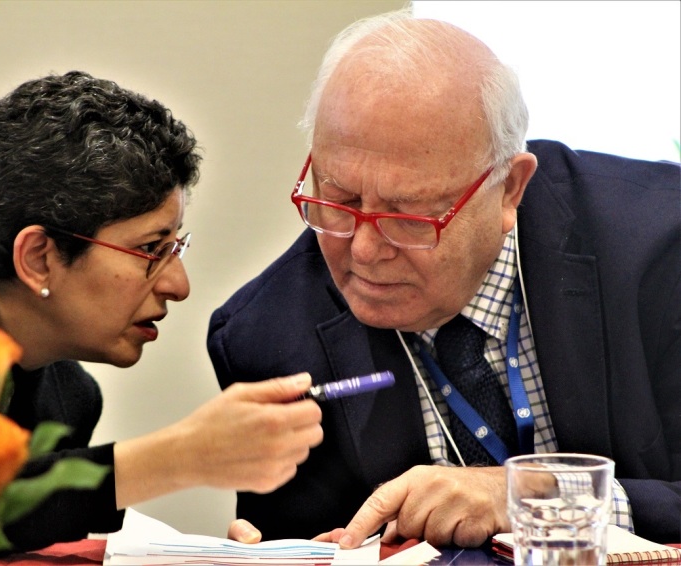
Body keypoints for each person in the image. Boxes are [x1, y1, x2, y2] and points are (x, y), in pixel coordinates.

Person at [210, 9, 681, 549]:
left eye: (408, 215)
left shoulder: (660, 250)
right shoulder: (267, 339)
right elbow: (300, 539)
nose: (363, 250)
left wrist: (533, 499)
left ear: (509, 189)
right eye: (338, 200)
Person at [0, 71, 323, 551]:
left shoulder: (69, 400)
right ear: (38, 258)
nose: (179, 286)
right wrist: (177, 457)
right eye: (151, 249)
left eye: (176, 247)